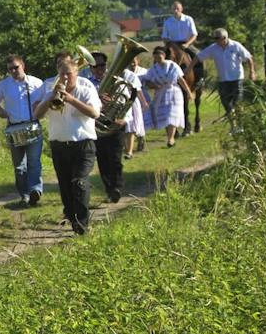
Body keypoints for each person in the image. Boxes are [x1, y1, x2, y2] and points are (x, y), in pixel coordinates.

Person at [32, 53, 103, 235]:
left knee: (79, 182)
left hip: (83, 144)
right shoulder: (51, 91)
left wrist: (71, 100)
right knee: (65, 186)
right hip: (59, 145)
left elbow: (94, 113)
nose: (65, 78)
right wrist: (50, 98)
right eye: (62, 74)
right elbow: (37, 115)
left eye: (69, 74)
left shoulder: (86, 90)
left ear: (77, 73)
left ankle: (82, 224)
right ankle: (72, 217)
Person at [0, 55, 44, 207]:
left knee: (34, 162)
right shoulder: (4, 85)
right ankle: (24, 195)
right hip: (14, 127)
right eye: (10, 69)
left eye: (16, 67)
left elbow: (46, 98)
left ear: (23, 66)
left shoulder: (36, 82)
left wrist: (41, 104)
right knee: (19, 166)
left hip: (33, 125)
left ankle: (35, 191)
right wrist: (0, 111)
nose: (13, 71)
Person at [80, 50, 130, 204]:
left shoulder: (117, 81)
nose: (99, 69)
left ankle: (117, 188)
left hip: (115, 123)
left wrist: (123, 118)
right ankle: (109, 190)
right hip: (96, 126)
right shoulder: (86, 84)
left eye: (102, 65)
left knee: (115, 158)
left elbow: (127, 100)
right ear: (90, 67)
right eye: (95, 66)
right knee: (102, 159)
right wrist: (97, 98)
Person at [196, 27, 255, 121]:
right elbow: (198, 57)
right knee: (227, 105)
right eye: (214, 38)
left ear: (224, 38)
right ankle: (234, 126)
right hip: (223, 80)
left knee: (237, 103)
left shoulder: (236, 46)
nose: (215, 41)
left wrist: (252, 72)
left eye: (217, 38)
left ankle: (241, 125)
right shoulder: (213, 48)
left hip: (237, 79)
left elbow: (248, 58)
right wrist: (188, 69)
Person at [141, 45, 189, 147]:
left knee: (172, 114)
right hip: (161, 94)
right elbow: (147, 81)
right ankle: (170, 137)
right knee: (166, 116)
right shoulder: (153, 69)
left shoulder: (173, 66)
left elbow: (181, 79)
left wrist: (188, 92)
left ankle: (170, 139)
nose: (157, 58)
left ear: (163, 55)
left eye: (159, 56)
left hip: (174, 92)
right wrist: (154, 85)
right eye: (155, 56)